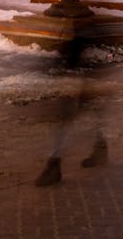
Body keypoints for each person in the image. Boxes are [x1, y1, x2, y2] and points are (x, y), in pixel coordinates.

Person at [34, 28, 113, 186]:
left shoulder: (81, 33)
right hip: (87, 75)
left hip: (81, 78)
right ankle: (100, 148)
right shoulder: (88, 31)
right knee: (91, 113)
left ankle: (54, 165)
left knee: (63, 122)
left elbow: (75, 52)